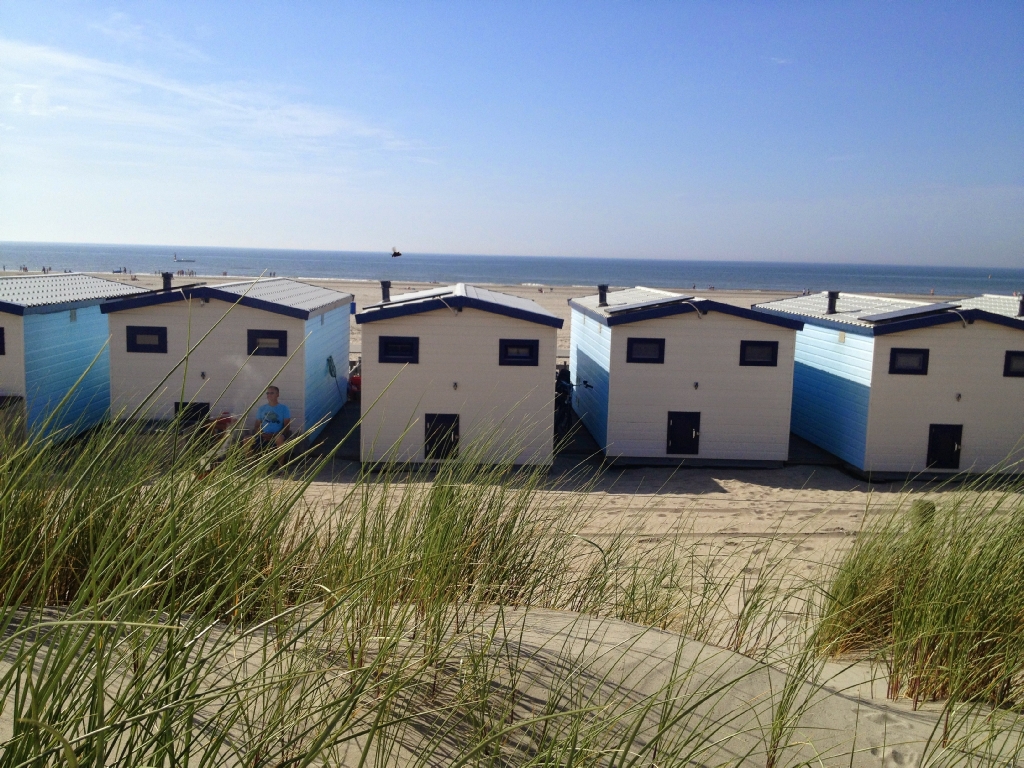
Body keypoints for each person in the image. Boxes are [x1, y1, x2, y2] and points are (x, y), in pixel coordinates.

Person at [251, 386, 292, 450]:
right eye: (268, 393)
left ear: (277, 394)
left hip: (278, 435)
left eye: (272, 393)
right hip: (263, 435)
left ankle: (280, 460)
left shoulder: (284, 408)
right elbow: (257, 426)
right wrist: (262, 434)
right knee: (246, 439)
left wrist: (275, 435)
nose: (269, 395)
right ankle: (250, 460)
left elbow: (287, 426)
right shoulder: (261, 409)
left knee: (279, 439)